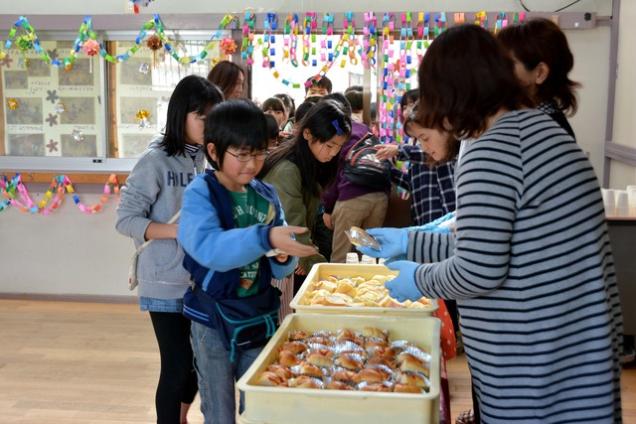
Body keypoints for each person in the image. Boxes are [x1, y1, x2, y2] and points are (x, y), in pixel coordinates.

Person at [359, 24, 623, 423]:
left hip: (537, 361)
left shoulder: (494, 147)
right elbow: (497, 243)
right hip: (569, 346)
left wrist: (420, 278)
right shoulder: (531, 127)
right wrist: (411, 242)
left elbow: (479, 269)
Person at [177, 99, 316, 424]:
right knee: (220, 411)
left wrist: (283, 256)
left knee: (261, 408)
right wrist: (265, 239)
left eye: (258, 152)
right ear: (214, 151)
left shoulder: (266, 195)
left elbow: (278, 268)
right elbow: (209, 248)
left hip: (258, 316)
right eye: (241, 154)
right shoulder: (201, 192)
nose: (251, 163)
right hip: (212, 321)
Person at [116, 75, 224, 424]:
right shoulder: (156, 160)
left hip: (199, 282)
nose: (209, 125)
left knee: (195, 367)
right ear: (182, 115)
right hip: (163, 281)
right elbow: (125, 220)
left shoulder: (204, 160)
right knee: (177, 368)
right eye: (202, 116)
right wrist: (177, 231)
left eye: (214, 116)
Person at [260, 100, 351, 292]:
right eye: (329, 145)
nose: (334, 153)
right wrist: (314, 260)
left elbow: (311, 215)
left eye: (338, 147)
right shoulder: (288, 170)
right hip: (273, 256)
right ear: (307, 133)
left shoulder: (310, 164)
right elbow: (293, 222)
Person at [320, 93, 389, 263]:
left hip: (352, 196)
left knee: (341, 258)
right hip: (380, 194)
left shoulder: (335, 132)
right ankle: (368, 290)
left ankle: (339, 290)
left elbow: (334, 173)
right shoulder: (363, 128)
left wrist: (328, 209)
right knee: (368, 258)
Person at [497, 18, 580, 137]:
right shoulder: (526, 120)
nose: (497, 70)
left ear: (540, 73)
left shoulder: (546, 133)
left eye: (508, 64)